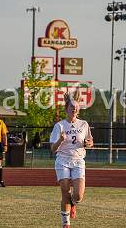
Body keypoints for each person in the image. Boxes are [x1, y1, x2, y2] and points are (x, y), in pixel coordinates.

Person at [50, 91, 94, 228]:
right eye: (72, 108)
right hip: (62, 160)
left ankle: (73, 204)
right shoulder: (60, 126)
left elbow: (90, 141)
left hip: (78, 161)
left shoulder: (84, 124)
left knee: (78, 195)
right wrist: (60, 140)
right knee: (65, 190)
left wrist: (89, 143)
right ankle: (66, 223)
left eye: (76, 108)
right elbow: (52, 149)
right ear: (66, 109)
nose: (74, 109)